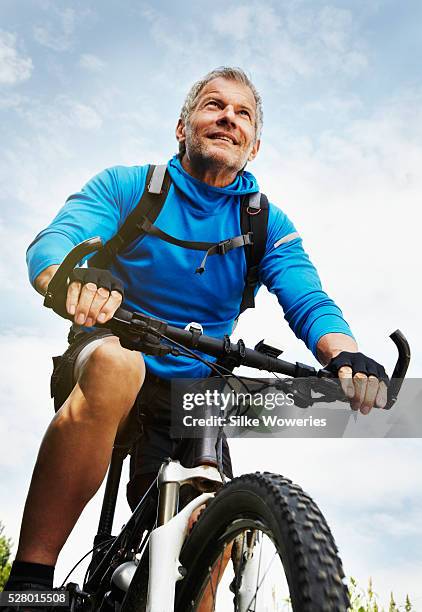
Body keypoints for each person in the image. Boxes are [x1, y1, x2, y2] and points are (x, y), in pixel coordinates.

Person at [5, 67, 388, 600]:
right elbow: (58, 241)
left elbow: (308, 298)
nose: (228, 118)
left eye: (243, 113)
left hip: (195, 391)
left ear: (253, 146)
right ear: (181, 127)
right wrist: (78, 274)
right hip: (113, 355)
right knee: (120, 366)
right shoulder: (129, 187)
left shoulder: (263, 223)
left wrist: (347, 356)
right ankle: (30, 580)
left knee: (208, 515)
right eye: (213, 106)